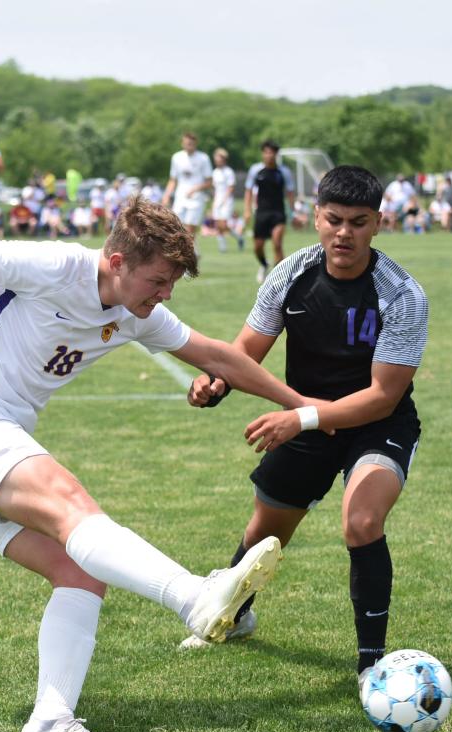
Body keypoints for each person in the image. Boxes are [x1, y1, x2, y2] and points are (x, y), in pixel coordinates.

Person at [0, 197, 307, 732]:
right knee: (72, 506)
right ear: (115, 262)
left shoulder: (138, 314)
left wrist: (305, 408)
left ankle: (51, 722)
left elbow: (220, 359)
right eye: (158, 280)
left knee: (80, 570)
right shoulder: (57, 267)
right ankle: (192, 599)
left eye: (171, 284)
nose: (165, 295)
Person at [182, 166, 428, 696]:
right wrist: (213, 382)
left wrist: (303, 416)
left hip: (375, 426)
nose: (345, 233)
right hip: (305, 420)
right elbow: (244, 352)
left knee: (361, 520)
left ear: (379, 224)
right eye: (334, 220)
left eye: (358, 223)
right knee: (265, 531)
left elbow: (383, 395)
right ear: (315, 218)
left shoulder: (402, 294)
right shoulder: (291, 273)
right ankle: (235, 611)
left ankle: (372, 664)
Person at [244, 140, 295, 283]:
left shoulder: (284, 172)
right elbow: (248, 191)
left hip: (278, 213)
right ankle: (264, 264)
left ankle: (280, 278)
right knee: (257, 247)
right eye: (266, 152)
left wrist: (294, 212)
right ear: (263, 154)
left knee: (277, 244)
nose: (269, 155)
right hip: (261, 213)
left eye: (272, 152)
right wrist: (247, 210)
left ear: (276, 154)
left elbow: (290, 193)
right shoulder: (255, 170)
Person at [161, 132, 213, 250]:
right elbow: (173, 180)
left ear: (195, 144)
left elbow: (210, 182)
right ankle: (193, 252)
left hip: (196, 199)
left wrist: (196, 188)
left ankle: (189, 257)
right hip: (180, 197)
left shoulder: (203, 158)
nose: (189, 146)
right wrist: (166, 195)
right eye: (187, 143)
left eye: (192, 144)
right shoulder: (177, 157)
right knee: (177, 227)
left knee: (190, 229)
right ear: (182, 143)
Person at [211, 148, 242, 253]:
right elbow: (215, 188)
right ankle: (222, 247)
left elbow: (231, 187)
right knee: (218, 225)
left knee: (223, 224)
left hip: (227, 201)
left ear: (223, 159)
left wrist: (224, 199)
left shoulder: (229, 171)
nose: (216, 160)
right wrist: (215, 201)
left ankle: (239, 238)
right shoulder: (215, 172)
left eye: (218, 158)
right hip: (217, 200)